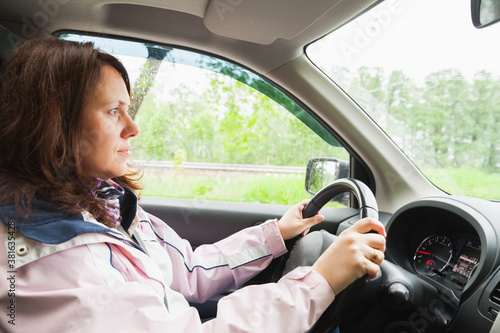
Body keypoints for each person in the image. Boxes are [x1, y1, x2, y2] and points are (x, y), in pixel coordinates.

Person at [0, 38, 386, 332]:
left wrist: (275, 234)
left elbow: (186, 270)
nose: (133, 128)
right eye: (113, 111)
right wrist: (318, 283)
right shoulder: (51, 258)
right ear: (54, 123)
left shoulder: (102, 201)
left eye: (128, 110)